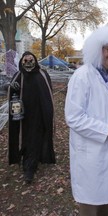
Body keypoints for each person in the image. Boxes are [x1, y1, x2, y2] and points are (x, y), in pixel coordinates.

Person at [64, 25, 108, 216]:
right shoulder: (82, 76)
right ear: (98, 49)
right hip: (91, 152)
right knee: (91, 200)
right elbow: (73, 117)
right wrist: (106, 129)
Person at [8, 51, 55, 184]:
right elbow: (12, 94)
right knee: (25, 139)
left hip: (38, 115)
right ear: (21, 62)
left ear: (35, 61)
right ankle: (26, 161)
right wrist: (13, 88)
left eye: (30, 60)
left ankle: (30, 169)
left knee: (35, 139)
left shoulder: (42, 75)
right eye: (25, 61)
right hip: (23, 117)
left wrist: (47, 113)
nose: (28, 63)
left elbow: (47, 94)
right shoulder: (18, 76)